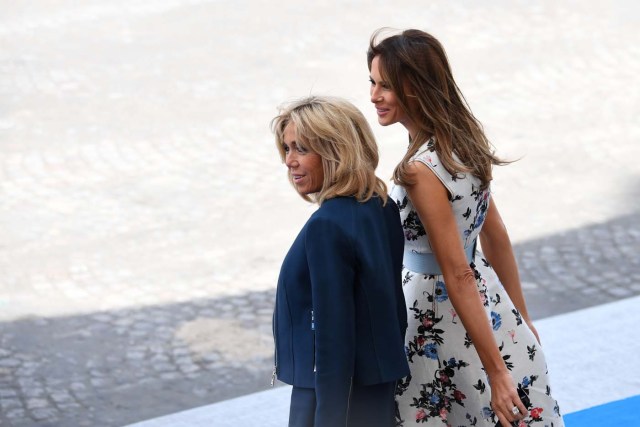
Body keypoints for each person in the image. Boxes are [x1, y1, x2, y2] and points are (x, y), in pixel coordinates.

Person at [367, 29, 564, 427]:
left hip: (437, 315)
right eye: (372, 82)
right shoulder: (464, 141)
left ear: (415, 88)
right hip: (489, 301)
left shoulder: (419, 170)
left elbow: (456, 269)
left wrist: (495, 370)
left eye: (385, 86)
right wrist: (520, 321)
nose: (373, 96)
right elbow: (495, 235)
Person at [271, 96, 411, 427]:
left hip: (329, 396)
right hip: (372, 390)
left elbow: (332, 337)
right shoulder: (381, 206)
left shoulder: (326, 226)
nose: (289, 161)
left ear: (337, 151)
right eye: (287, 148)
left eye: (302, 149)